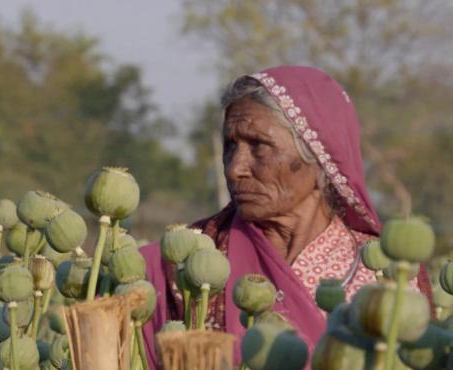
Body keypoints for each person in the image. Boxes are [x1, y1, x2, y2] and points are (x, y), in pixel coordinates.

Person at [139, 66, 433, 367]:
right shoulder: (185, 265)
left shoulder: (384, 278)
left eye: (259, 147)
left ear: (322, 161)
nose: (233, 168)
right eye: (231, 146)